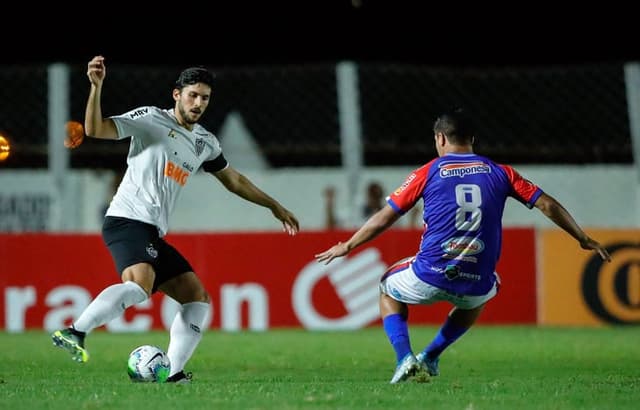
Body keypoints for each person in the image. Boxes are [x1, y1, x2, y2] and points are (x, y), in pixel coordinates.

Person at [315, 109, 611, 384]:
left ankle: (405, 357)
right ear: (472, 139)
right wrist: (581, 237)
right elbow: (546, 204)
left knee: (385, 286)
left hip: (428, 275)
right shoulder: (502, 172)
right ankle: (431, 355)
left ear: (440, 138)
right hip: (475, 280)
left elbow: (384, 217)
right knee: (486, 288)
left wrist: (349, 244)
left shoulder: (427, 172)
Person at [52, 55, 299, 383]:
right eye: (192, 95)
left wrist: (274, 205)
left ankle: (174, 372)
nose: (198, 103)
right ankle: (75, 331)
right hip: (126, 219)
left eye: (205, 98)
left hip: (152, 231)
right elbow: (96, 129)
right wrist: (96, 87)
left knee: (196, 297)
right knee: (139, 287)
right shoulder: (151, 119)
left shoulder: (205, 142)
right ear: (177, 95)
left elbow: (234, 180)